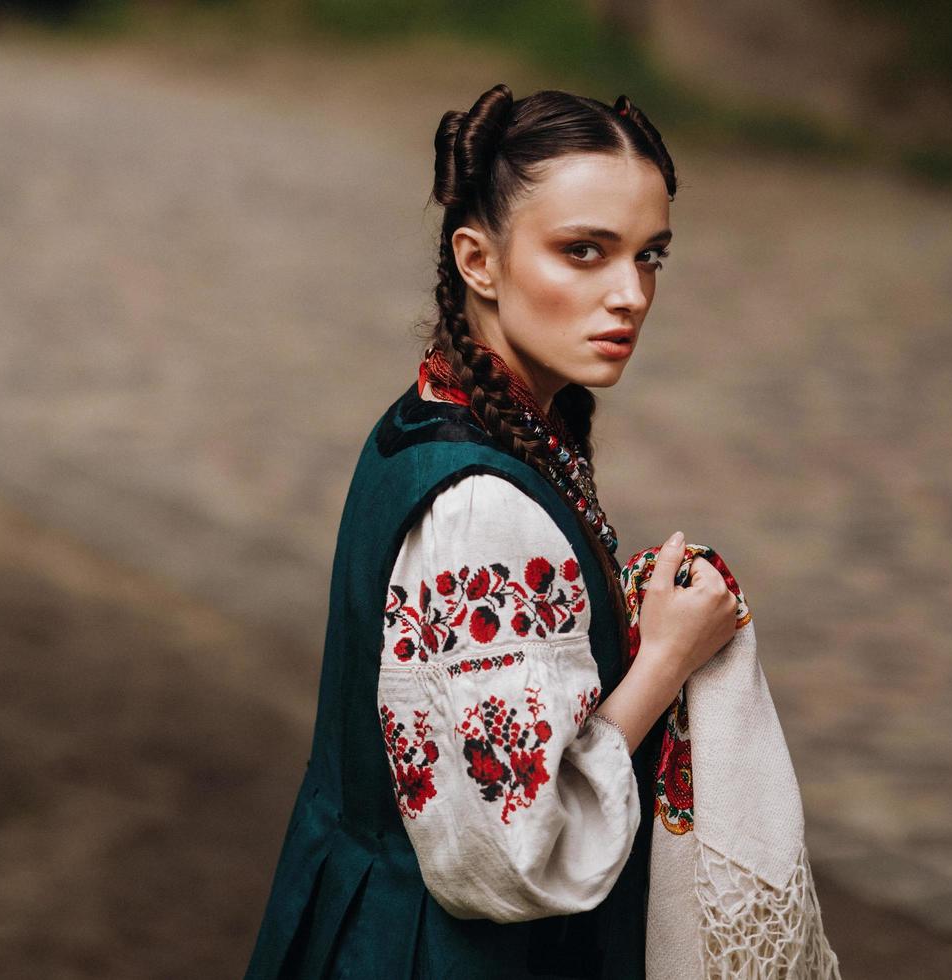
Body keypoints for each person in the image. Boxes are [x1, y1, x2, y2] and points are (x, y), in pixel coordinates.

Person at [244, 83, 741, 979]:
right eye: (583, 251)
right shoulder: (480, 509)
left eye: (650, 255)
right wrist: (666, 658)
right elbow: (518, 850)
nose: (630, 294)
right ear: (478, 259)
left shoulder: (439, 411)